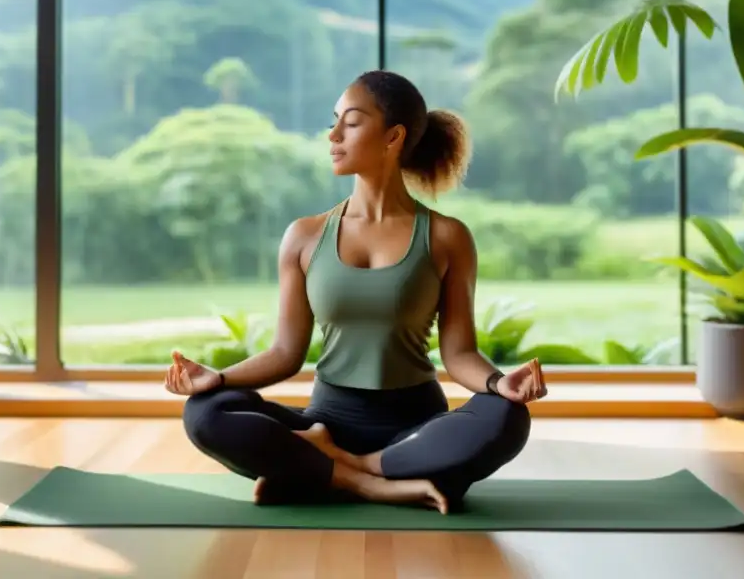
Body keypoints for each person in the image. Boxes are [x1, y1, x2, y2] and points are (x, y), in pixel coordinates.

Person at [165, 70, 547, 514]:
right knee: (204, 412)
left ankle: (325, 469)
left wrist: (501, 383)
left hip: (416, 430)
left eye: (351, 122)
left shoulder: (447, 237)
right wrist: (219, 378)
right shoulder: (305, 236)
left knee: (506, 417)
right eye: (334, 121)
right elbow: (286, 352)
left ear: (393, 136)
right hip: (325, 421)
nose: (333, 134)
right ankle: (375, 484)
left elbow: (459, 353)